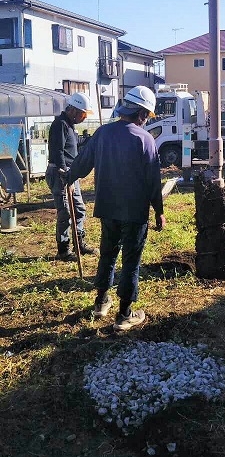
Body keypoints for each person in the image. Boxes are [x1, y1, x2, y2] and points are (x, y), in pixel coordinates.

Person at [67, 85, 166, 333]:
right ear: (143, 113)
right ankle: (124, 315)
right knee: (131, 261)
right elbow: (153, 181)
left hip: (107, 208)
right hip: (134, 213)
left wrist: (68, 178)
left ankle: (101, 302)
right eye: (147, 115)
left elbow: (82, 163)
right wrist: (159, 210)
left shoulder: (102, 133)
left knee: (108, 254)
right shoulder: (145, 140)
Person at [45, 92, 98, 262]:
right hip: (60, 173)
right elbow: (57, 150)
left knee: (79, 209)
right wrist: (63, 172)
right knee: (66, 212)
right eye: (83, 114)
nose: (83, 118)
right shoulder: (59, 124)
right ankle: (63, 250)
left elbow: (74, 145)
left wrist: (90, 140)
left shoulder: (69, 125)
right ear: (74, 110)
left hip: (70, 173)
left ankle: (80, 244)